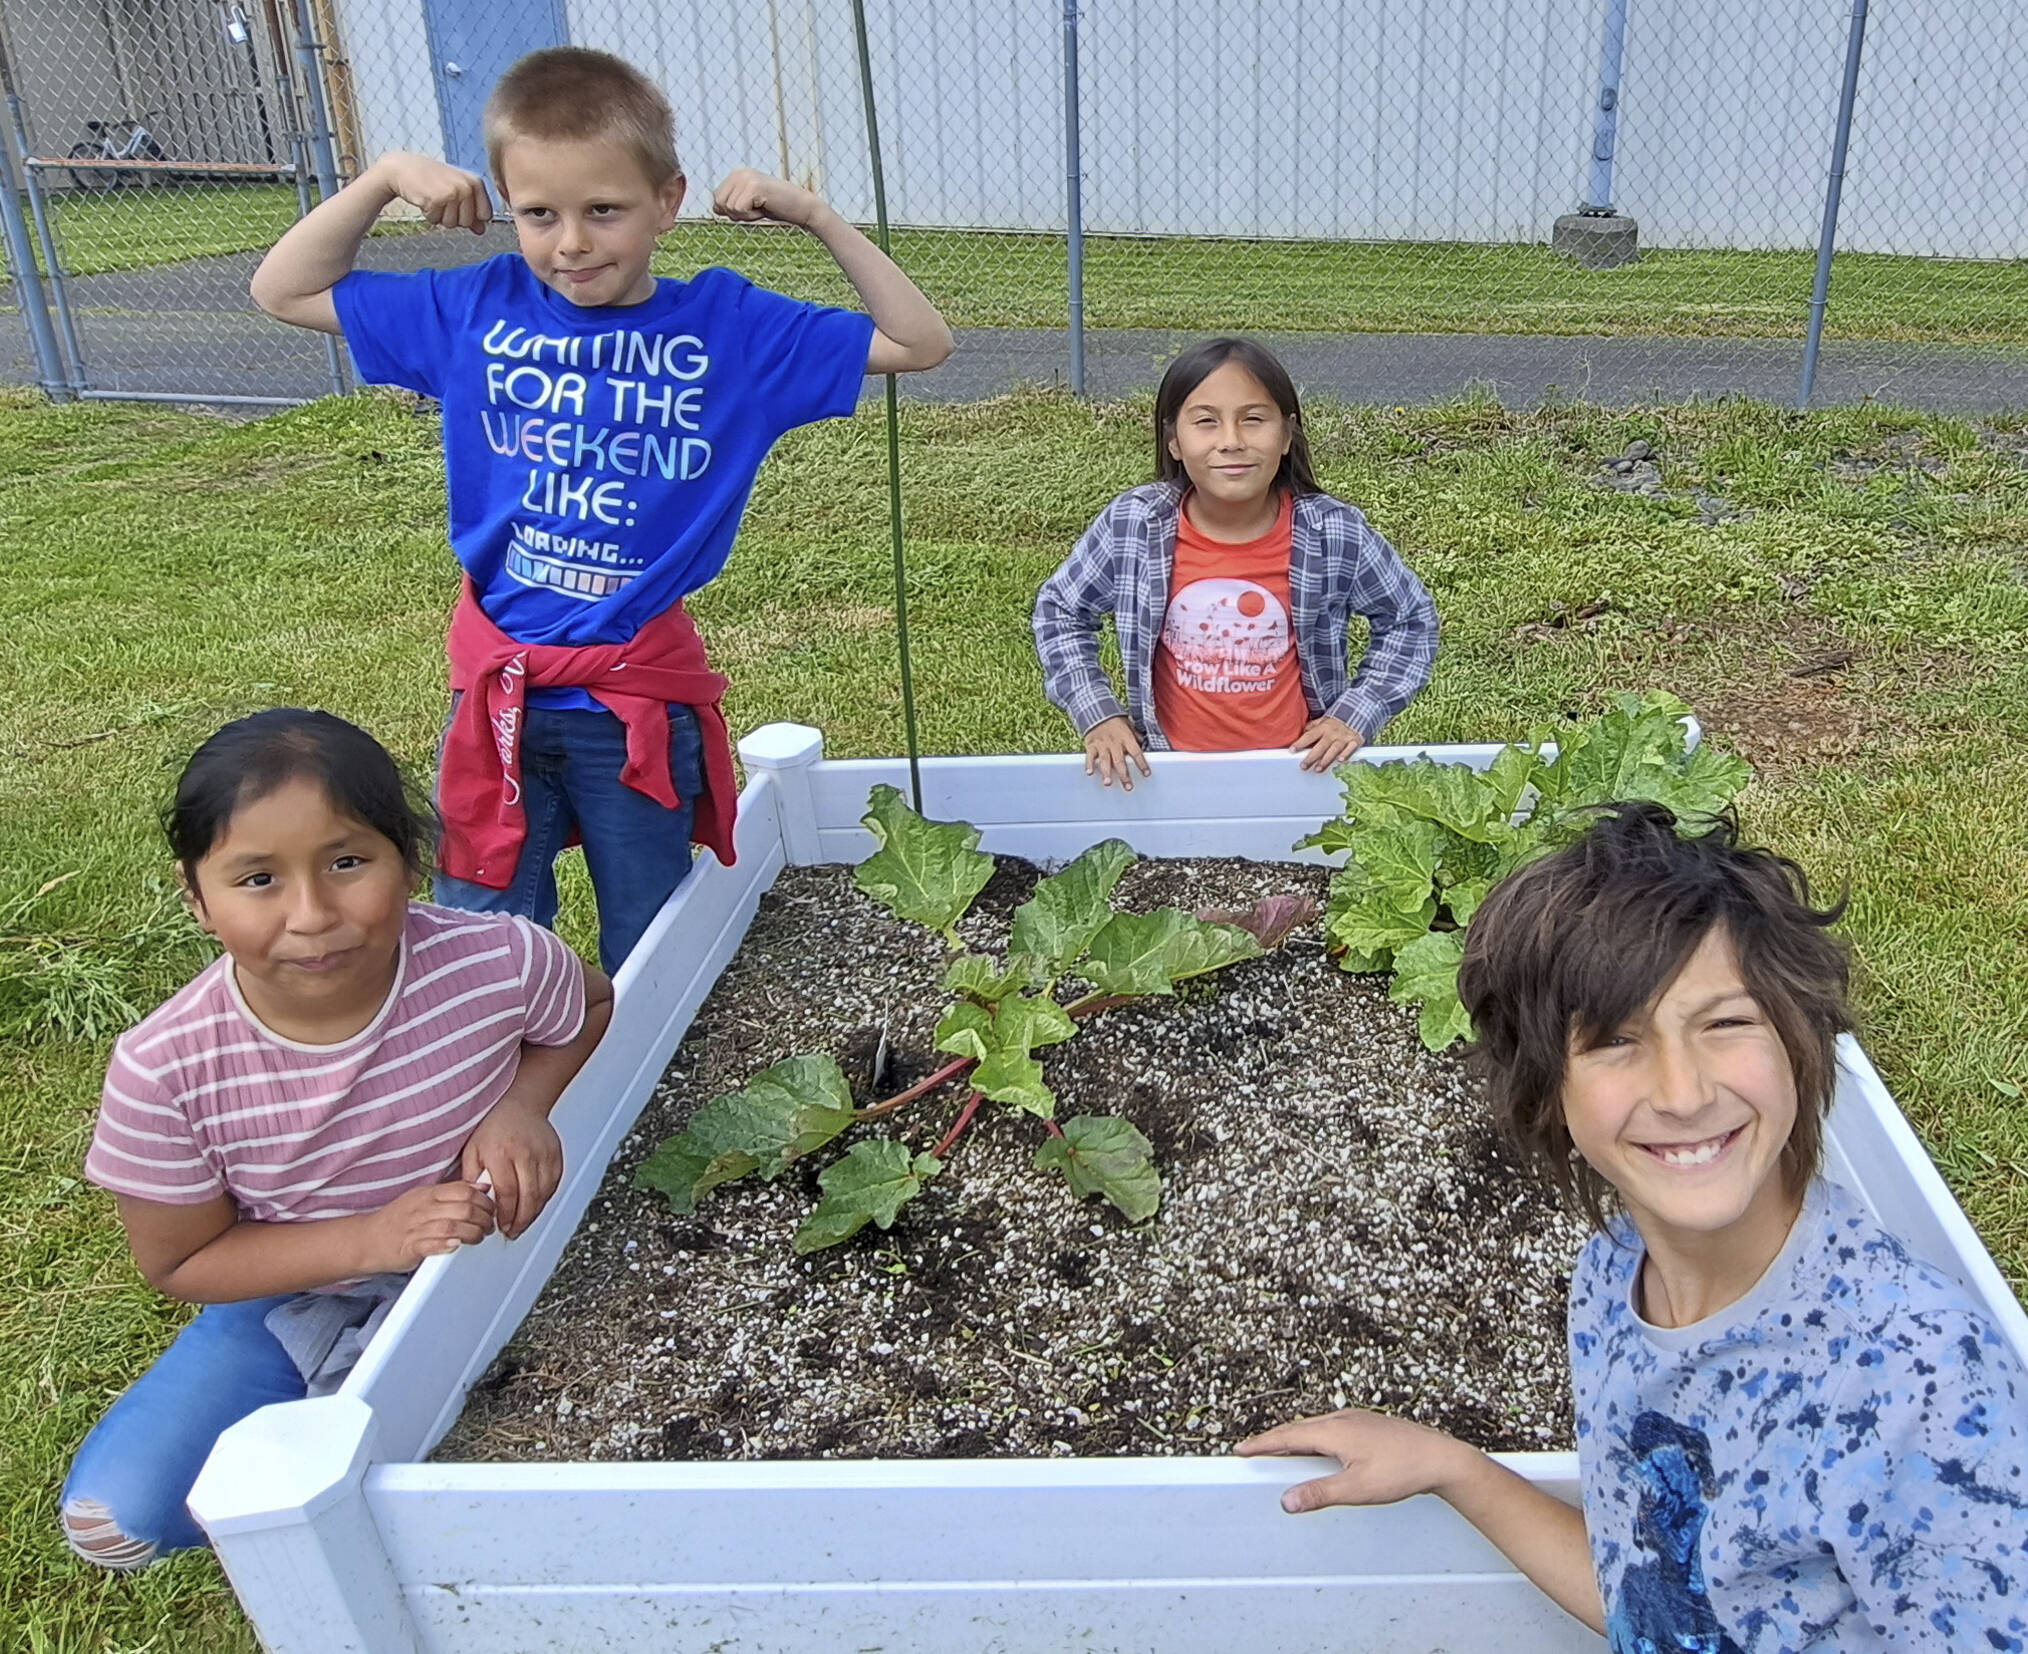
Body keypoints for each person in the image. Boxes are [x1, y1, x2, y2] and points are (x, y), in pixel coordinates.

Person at [1239, 803, 2028, 1651]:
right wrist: (1454, 1469)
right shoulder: (1613, 1277)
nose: (1683, 1093)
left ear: (1800, 1041)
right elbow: (1659, 1603)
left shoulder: (1920, 1382)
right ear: (1547, 1091)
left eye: (1725, 1023)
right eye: (1616, 1040)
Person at [250, 47, 953, 973]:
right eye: (539, 214)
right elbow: (283, 289)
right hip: (497, 690)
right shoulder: (476, 308)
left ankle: (636, 1062)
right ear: (508, 204)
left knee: (652, 937)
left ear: (668, 202)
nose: (572, 243)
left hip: (631, 700)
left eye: (605, 211)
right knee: (481, 934)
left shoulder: (729, 329)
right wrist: (383, 178)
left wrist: (818, 217)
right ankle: (509, 1060)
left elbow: (920, 341)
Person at [61, 709, 613, 1570]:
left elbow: (592, 1003)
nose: (312, 914)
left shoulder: (497, 959)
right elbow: (181, 1260)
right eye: (257, 879)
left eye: (347, 863)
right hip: (303, 1290)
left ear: (411, 860)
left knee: (511, 1488)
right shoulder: (164, 1070)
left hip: (496, 1255)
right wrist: (372, 1240)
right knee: (117, 1519)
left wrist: (521, 1104)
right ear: (196, 897)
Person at [1032, 337, 1437, 792]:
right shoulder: (1134, 524)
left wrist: (1355, 714)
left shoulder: (1334, 532)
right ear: (1174, 440)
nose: (1231, 441)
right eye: (1206, 421)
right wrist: (1098, 713)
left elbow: (1409, 619)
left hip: (1301, 775)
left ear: (1287, 435)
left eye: (1253, 420)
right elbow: (1061, 610)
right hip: (1164, 776)